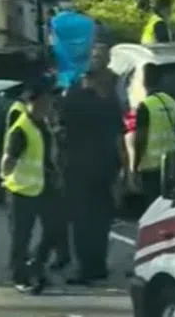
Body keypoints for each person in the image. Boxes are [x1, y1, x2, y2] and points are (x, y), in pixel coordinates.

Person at [59, 68, 124, 283]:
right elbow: (119, 139)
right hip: (105, 168)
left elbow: (60, 132)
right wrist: (125, 169)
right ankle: (99, 265)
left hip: (77, 169)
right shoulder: (109, 104)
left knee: (81, 222)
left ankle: (85, 267)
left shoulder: (71, 103)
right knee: (101, 220)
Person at [2, 77, 62, 294]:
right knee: (21, 237)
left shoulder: (43, 124)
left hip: (44, 187)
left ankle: (36, 266)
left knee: (54, 230)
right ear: (33, 102)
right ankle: (20, 276)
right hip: (21, 190)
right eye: (45, 102)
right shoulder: (21, 128)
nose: (49, 106)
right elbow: (8, 160)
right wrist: (7, 179)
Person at [131, 66, 175, 209]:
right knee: (166, 207)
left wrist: (135, 165)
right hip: (169, 162)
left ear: (144, 81)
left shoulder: (145, 106)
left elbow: (141, 137)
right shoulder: (171, 102)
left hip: (150, 165)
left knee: (152, 208)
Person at [49, 0, 96, 89]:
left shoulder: (54, 22)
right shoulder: (88, 21)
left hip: (64, 71)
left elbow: (51, 42)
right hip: (84, 70)